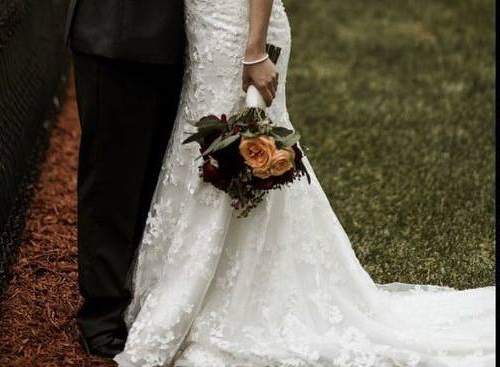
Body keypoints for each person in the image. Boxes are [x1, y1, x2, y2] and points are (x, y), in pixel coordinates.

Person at [101, 0, 492, 366]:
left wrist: (255, 50)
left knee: (232, 155)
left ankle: (223, 303)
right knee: (210, 157)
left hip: (241, 34)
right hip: (207, 26)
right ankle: (201, 294)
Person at [64, 0, 186, 358]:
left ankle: (139, 295)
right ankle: (101, 314)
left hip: (179, 39)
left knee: (156, 181)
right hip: (115, 38)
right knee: (112, 182)